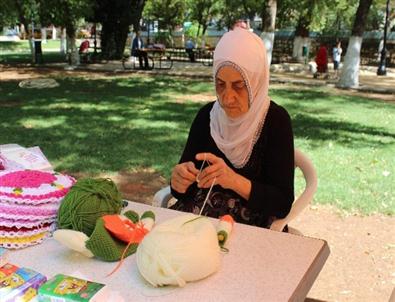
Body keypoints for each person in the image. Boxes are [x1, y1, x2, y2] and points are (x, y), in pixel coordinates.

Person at [170, 28, 294, 229]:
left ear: (256, 81)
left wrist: (233, 180)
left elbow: (282, 204)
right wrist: (178, 182)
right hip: (199, 222)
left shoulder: (275, 121)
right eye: (220, 85)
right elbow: (183, 189)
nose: (227, 98)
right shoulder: (207, 117)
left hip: (250, 231)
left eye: (238, 86)